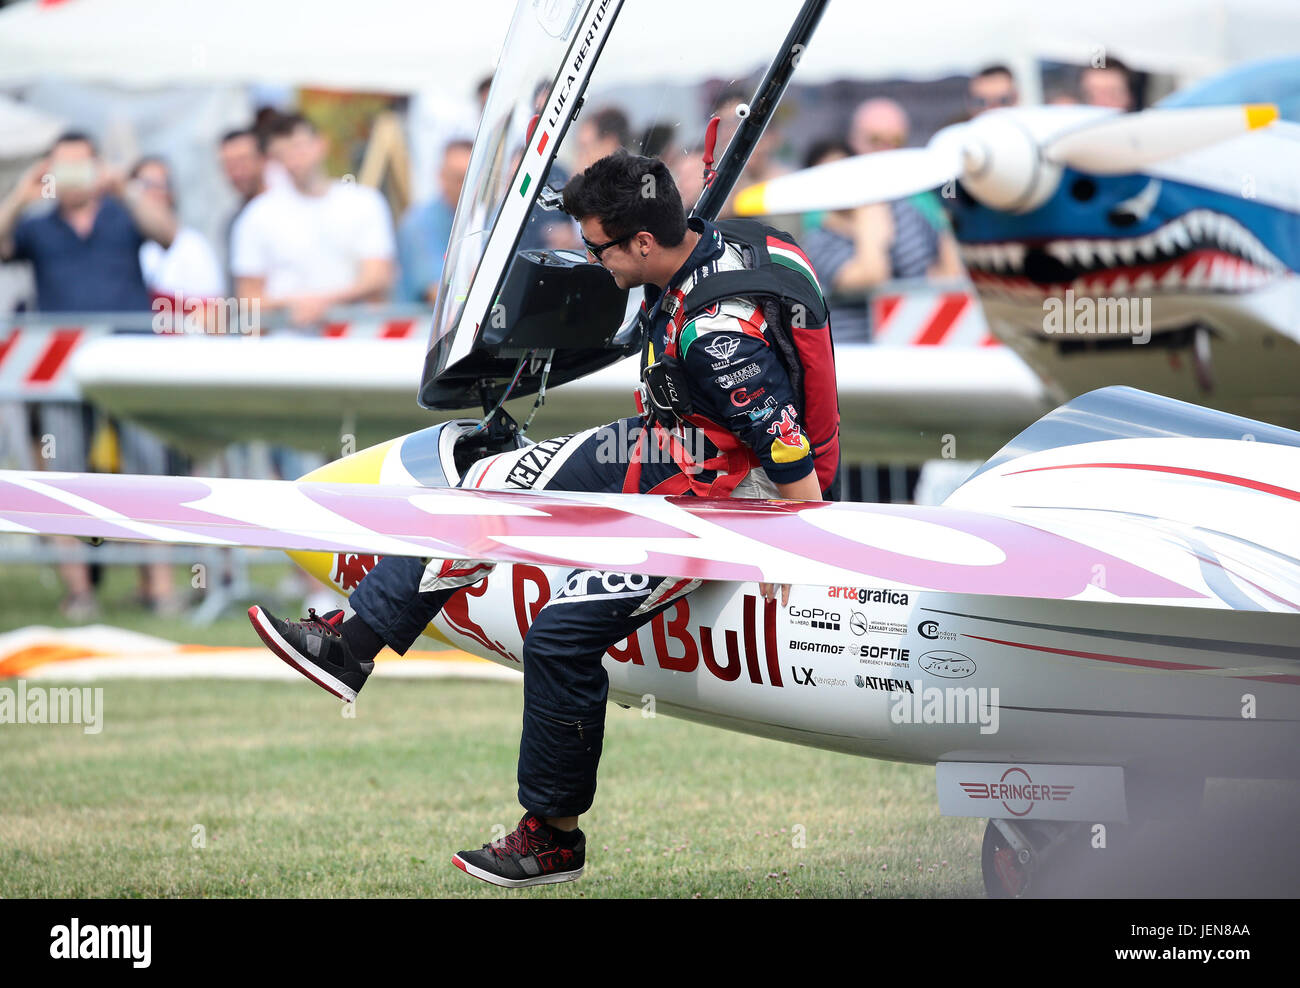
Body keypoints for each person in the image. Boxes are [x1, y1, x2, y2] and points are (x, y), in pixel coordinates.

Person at [247, 151, 837, 888]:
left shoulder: (722, 339)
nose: (587, 259)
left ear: (643, 244)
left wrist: (797, 566)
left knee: (558, 636)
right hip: (673, 442)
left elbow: (790, 462)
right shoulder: (731, 239)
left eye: (595, 248)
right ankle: (351, 645)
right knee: (488, 489)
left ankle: (552, 835)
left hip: (728, 497)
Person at [0, 130, 179, 618]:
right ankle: (80, 592)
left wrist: (126, 189)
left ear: (98, 166)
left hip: (131, 366)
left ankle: (160, 590)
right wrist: (21, 193)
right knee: (63, 479)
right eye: (64, 166)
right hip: (62, 369)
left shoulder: (123, 214)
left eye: (82, 165)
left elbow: (167, 233)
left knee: (149, 477)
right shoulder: (37, 226)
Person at [230, 113, 395, 328]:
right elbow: (247, 296)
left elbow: (378, 277)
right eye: (283, 153)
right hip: (285, 342)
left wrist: (321, 303)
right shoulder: (257, 214)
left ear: (321, 144)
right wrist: (302, 304)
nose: (294, 160)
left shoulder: (365, 202)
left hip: (355, 339)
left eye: (299, 147)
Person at [396, 139, 472, 304]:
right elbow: (438, 293)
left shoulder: (485, 217)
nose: (466, 186)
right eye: (459, 178)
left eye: (471, 178)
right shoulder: (418, 224)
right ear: (441, 177)